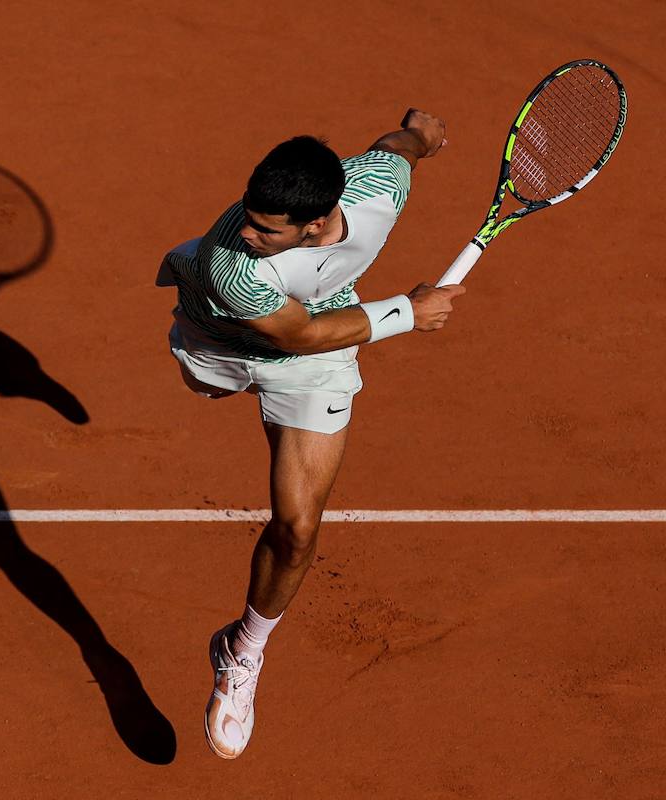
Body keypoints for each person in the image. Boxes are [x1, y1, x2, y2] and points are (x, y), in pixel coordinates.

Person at [157, 109, 465, 759]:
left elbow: (394, 147)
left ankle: (242, 652)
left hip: (313, 363)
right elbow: (295, 333)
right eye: (249, 213)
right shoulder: (234, 264)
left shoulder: (377, 188)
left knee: (298, 529)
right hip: (224, 342)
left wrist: (422, 135)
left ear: (319, 222)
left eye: (266, 229)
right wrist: (407, 312)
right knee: (209, 384)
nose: (247, 230)